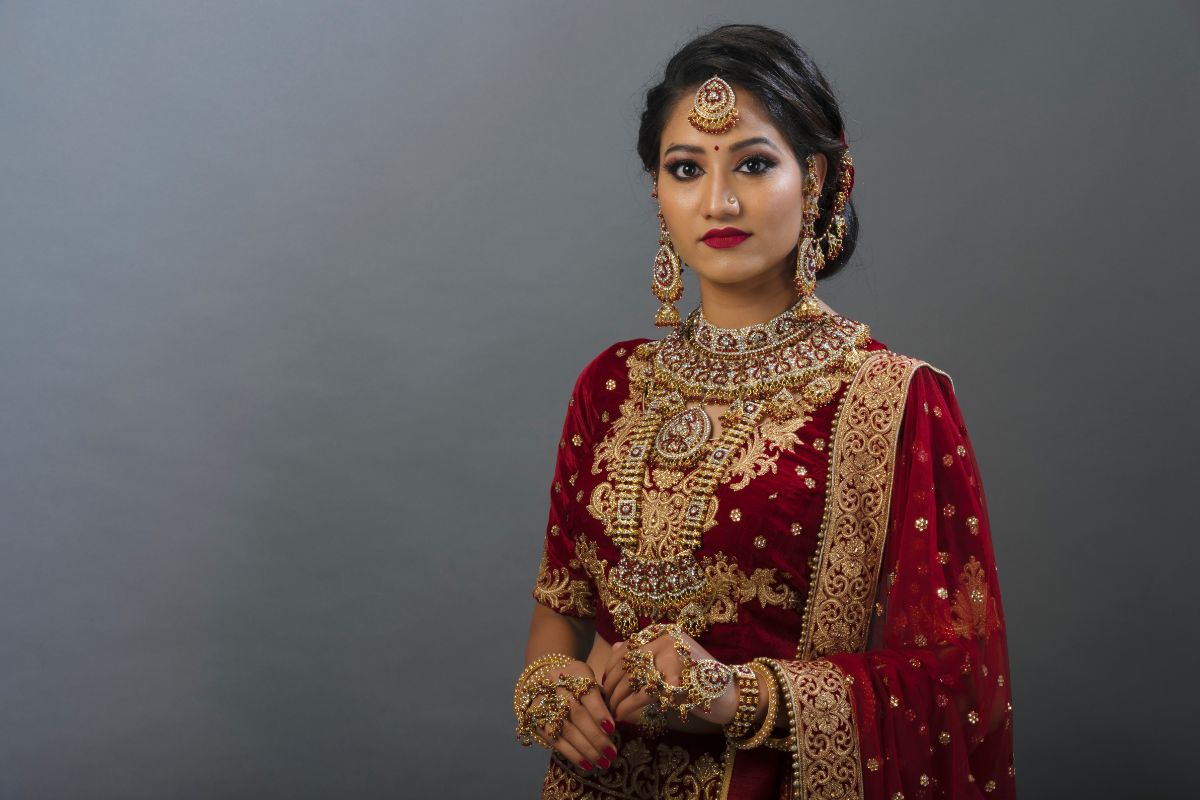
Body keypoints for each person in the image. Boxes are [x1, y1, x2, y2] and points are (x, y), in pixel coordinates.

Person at [513, 23, 1014, 800]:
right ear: (659, 195)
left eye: (753, 163)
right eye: (686, 169)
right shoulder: (610, 385)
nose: (719, 200)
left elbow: (951, 682)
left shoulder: (892, 400)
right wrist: (550, 685)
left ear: (818, 181)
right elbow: (562, 607)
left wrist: (737, 696)